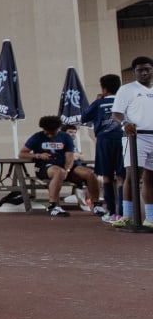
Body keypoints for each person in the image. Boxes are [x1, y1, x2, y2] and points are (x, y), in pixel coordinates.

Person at [19, 115, 102, 218]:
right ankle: (53, 205)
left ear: (58, 129)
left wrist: (67, 169)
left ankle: (96, 205)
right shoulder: (37, 137)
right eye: (46, 132)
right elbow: (22, 154)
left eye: (52, 132)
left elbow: (70, 156)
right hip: (45, 166)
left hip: (66, 166)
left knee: (90, 174)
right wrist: (38, 155)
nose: (49, 135)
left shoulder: (65, 137)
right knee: (59, 172)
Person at [111, 56, 153, 228]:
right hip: (136, 136)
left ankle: (150, 217)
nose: (143, 73)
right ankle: (127, 215)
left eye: (147, 69)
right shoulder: (127, 89)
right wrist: (124, 123)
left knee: (151, 178)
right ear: (134, 72)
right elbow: (116, 113)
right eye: (139, 70)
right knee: (132, 175)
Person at [82, 74, 126, 222]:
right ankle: (123, 212)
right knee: (122, 177)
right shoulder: (124, 101)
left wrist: (97, 100)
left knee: (107, 176)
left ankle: (111, 212)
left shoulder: (99, 103)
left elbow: (84, 117)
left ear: (104, 88)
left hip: (104, 141)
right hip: (123, 139)